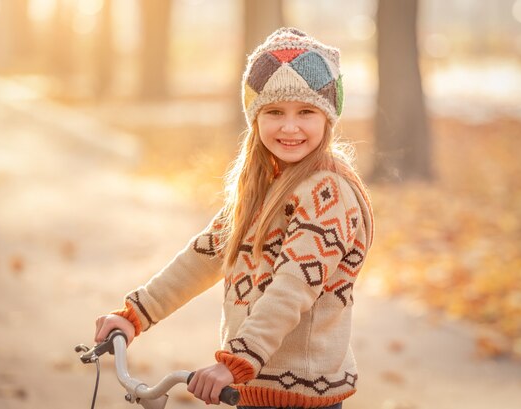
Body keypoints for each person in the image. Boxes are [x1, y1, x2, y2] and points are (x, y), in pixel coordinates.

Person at [94, 27, 374, 409]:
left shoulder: (328, 192)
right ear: (255, 117)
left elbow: (293, 288)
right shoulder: (265, 186)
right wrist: (136, 314)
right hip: (249, 387)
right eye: (274, 112)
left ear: (327, 118)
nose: (289, 126)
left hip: (300, 397)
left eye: (306, 112)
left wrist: (237, 361)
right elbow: (203, 256)